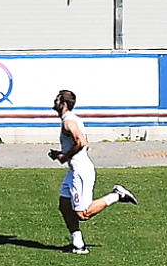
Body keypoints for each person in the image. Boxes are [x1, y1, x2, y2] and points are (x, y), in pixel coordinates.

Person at [49, 89, 135, 254]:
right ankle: (78, 244)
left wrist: (64, 156)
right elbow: (83, 144)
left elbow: (81, 142)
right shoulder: (71, 119)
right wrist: (60, 154)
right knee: (65, 205)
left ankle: (117, 195)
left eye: (57, 99)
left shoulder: (69, 122)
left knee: (83, 214)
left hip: (80, 172)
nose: (54, 102)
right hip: (74, 170)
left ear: (64, 103)